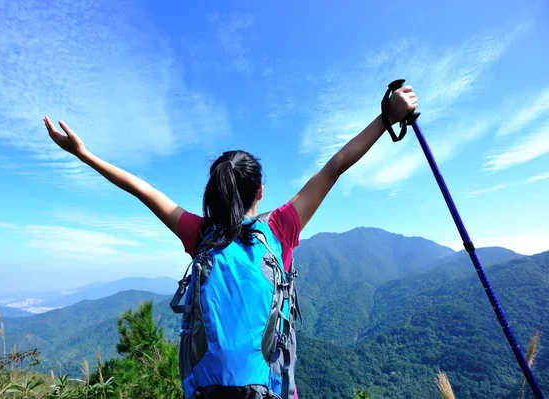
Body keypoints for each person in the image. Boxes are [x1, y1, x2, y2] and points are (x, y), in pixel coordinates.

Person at [44, 85, 418, 398]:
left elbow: (142, 189)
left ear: (216, 194)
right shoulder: (281, 228)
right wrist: (387, 118)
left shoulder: (200, 234)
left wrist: (84, 154)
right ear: (260, 192)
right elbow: (336, 165)